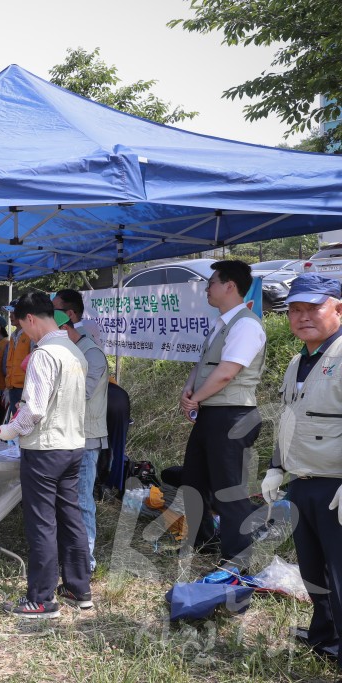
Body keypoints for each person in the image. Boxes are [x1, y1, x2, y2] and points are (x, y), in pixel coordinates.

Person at [262, 274, 342, 664]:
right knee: (313, 568)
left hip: (336, 486)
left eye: (313, 307)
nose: (302, 316)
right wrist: (276, 466)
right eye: (295, 309)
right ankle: (324, 636)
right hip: (303, 482)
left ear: (338, 309)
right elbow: (289, 418)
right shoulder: (298, 361)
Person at [0, 293, 89, 617]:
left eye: (21, 326)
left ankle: (41, 598)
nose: (24, 333)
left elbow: (33, 409)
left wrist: (9, 430)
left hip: (45, 449)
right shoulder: (75, 351)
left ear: (31, 319)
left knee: (42, 523)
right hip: (74, 445)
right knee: (70, 517)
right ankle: (79, 589)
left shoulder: (44, 355)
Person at [179, 260, 266, 573]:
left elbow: (227, 373)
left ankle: (237, 561)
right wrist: (189, 392)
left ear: (230, 286)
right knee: (193, 480)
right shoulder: (221, 324)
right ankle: (204, 540)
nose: (207, 288)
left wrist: (195, 399)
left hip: (233, 416)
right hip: (212, 414)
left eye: (212, 282)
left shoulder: (246, 324)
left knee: (229, 491)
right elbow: (203, 365)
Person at [58, 312, 109, 572]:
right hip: (66, 434)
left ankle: (85, 561)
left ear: (66, 328)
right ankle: (69, 553)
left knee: (82, 500)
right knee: (66, 498)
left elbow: (82, 392)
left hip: (86, 437)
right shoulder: (71, 349)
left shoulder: (92, 354)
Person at [4, 309, 32, 420]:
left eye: (14, 313)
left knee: (24, 421)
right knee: (16, 420)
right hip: (12, 386)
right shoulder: (13, 336)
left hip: (25, 387)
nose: (11, 316)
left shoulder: (30, 334)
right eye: (10, 313)